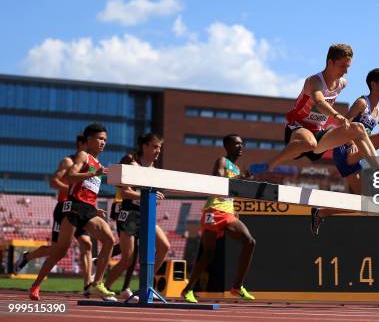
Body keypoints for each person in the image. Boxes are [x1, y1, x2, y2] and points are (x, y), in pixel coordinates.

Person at [249, 44, 379, 176]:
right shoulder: (315, 81)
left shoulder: (342, 83)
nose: (346, 71)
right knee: (309, 143)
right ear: (330, 62)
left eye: (348, 67)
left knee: (358, 128)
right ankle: (268, 165)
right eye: (343, 66)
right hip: (298, 127)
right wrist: (336, 115)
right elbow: (319, 102)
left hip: (319, 133)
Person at [311, 68, 379, 234]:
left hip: (358, 158)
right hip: (346, 149)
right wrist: (351, 141)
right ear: (373, 84)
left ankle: (321, 212)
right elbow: (344, 124)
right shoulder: (362, 103)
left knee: (367, 205)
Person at [29, 123, 117, 300]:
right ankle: (36, 285)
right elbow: (69, 177)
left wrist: (95, 208)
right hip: (74, 207)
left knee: (109, 239)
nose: (103, 143)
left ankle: (97, 284)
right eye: (99, 138)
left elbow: (88, 190)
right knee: (60, 250)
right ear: (89, 139)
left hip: (88, 209)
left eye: (105, 140)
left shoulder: (98, 164)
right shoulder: (83, 156)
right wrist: (93, 174)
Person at [15, 135, 95, 297]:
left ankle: (87, 285)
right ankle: (28, 257)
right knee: (58, 250)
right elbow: (53, 182)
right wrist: (72, 191)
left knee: (87, 244)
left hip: (81, 209)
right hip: (65, 208)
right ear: (82, 143)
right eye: (90, 142)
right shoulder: (68, 161)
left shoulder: (91, 164)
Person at [182, 134, 256, 303]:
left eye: (242, 143)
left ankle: (237, 287)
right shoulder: (222, 161)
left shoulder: (237, 169)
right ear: (227, 146)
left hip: (228, 212)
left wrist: (235, 209)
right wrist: (241, 178)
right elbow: (219, 181)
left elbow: (233, 192)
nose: (241, 146)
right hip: (214, 211)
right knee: (208, 254)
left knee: (250, 241)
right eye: (237, 144)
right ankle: (187, 290)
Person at [105, 134, 170, 299]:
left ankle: (145, 284)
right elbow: (126, 193)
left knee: (164, 246)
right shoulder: (133, 163)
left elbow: (153, 194)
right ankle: (104, 288)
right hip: (129, 215)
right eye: (155, 147)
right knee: (127, 258)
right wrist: (147, 195)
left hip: (146, 215)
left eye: (160, 147)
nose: (158, 151)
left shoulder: (155, 170)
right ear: (144, 147)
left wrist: (156, 195)